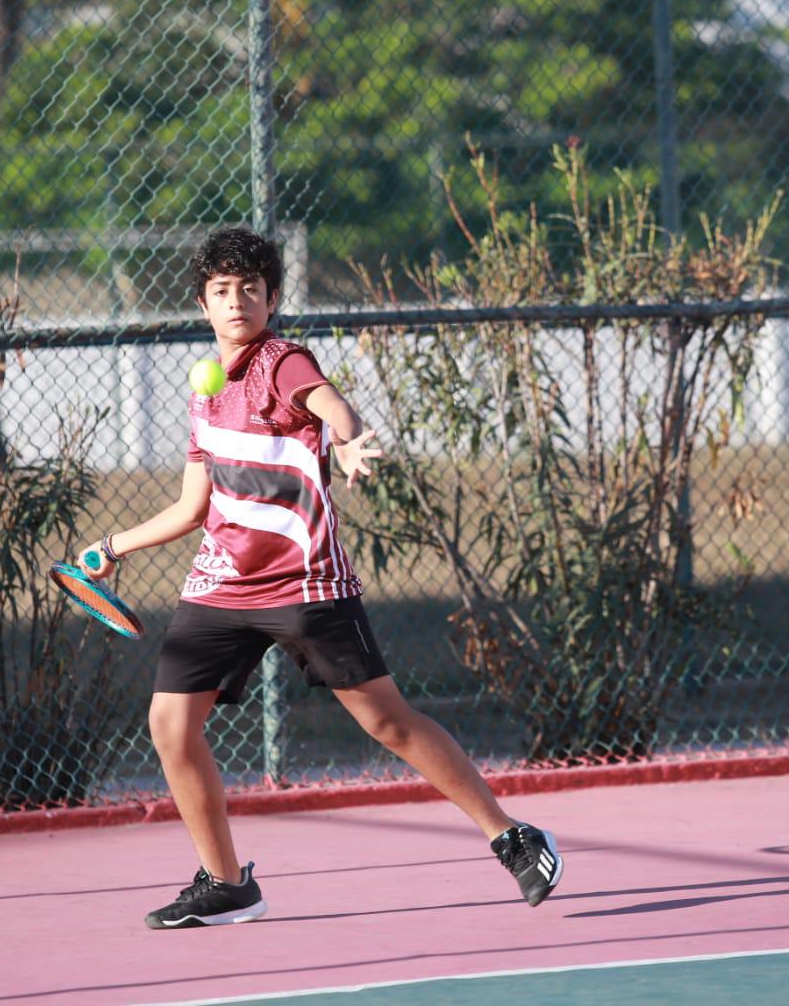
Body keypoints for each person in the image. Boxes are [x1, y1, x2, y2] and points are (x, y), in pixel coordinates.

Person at [79, 226, 563, 929]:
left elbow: (328, 402)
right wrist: (112, 546)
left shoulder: (282, 361)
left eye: (251, 289)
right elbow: (192, 506)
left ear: (272, 299)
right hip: (219, 588)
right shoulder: (204, 396)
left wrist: (348, 439)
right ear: (203, 304)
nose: (237, 301)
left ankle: (513, 835)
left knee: (388, 723)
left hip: (306, 586)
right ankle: (226, 883)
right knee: (170, 727)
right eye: (222, 291)